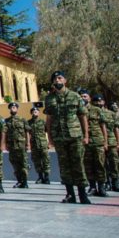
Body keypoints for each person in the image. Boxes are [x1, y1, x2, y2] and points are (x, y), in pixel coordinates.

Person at [45, 71, 90, 204]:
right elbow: (49, 119)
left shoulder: (75, 96)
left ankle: (83, 194)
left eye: (60, 78)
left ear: (65, 80)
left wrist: (86, 136)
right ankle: (70, 194)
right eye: (55, 79)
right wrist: (50, 138)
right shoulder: (49, 98)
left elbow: (82, 117)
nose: (57, 80)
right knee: (64, 166)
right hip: (59, 137)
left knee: (78, 165)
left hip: (75, 136)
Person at [81, 89, 108, 197]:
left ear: (89, 98)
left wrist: (105, 142)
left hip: (97, 141)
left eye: (85, 96)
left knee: (100, 165)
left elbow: (103, 126)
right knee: (88, 165)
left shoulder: (96, 110)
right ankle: (92, 187)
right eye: (81, 96)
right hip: (86, 142)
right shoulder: (79, 110)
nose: (83, 98)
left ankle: (101, 187)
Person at [97, 94, 119, 193]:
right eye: (96, 101)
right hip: (99, 142)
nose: (98, 103)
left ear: (104, 102)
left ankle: (115, 183)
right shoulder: (93, 113)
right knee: (102, 164)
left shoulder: (111, 114)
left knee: (114, 163)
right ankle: (106, 183)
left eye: (100, 101)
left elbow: (116, 128)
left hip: (111, 141)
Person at [5, 102, 31, 189]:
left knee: (23, 164)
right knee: (15, 164)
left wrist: (28, 143)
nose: (13, 108)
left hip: (21, 145)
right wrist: (6, 144)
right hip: (12, 146)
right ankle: (19, 181)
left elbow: (27, 132)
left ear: (17, 109)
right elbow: (5, 133)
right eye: (11, 107)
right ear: (9, 109)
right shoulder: (7, 121)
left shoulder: (22, 119)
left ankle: (25, 182)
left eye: (15, 107)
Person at [28, 104, 51, 184]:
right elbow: (28, 134)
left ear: (39, 113)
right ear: (31, 113)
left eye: (36, 111)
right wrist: (28, 144)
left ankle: (47, 177)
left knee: (46, 161)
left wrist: (49, 142)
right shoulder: (29, 123)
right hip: (34, 145)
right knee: (37, 161)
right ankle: (40, 177)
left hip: (43, 144)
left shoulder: (43, 122)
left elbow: (47, 132)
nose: (35, 112)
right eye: (33, 111)